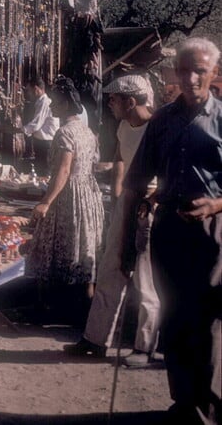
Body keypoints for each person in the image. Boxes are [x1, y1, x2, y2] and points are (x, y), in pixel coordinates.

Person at [122, 37, 222, 424]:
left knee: (209, 319)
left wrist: (214, 204)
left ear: (213, 72)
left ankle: (209, 408)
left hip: (213, 232)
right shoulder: (162, 120)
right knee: (175, 316)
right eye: (185, 70)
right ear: (176, 73)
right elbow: (136, 181)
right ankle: (183, 402)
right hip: (168, 231)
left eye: (201, 69)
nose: (192, 77)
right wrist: (126, 241)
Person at [66, 74, 161, 366]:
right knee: (111, 268)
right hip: (128, 200)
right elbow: (120, 159)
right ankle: (95, 339)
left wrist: (146, 203)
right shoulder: (123, 126)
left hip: (151, 203)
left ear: (131, 101)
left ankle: (144, 347)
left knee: (145, 278)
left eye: (115, 98)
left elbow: (170, 171)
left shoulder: (158, 129)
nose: (110, 102)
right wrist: (119, 197)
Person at [24, 75, 105, 312]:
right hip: (88, 194)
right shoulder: (86, 131)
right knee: (83, 245)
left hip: (70, 195)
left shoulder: (64, 133)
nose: (51, 107)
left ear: (66, 105)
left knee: (54, 245)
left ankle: (46, 305)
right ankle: (83, 307)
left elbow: (65, 169)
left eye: (56, 103)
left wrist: (46, 202)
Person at [23, 76, 59, 176]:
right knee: (41, 172)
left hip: (46, 144)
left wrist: (20, 130)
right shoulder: (40, 102)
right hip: (42, 143)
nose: (28, 94)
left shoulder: (44, 102)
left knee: (45, 173)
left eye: (29, 91)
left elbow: (36, 124)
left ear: (36, 89)